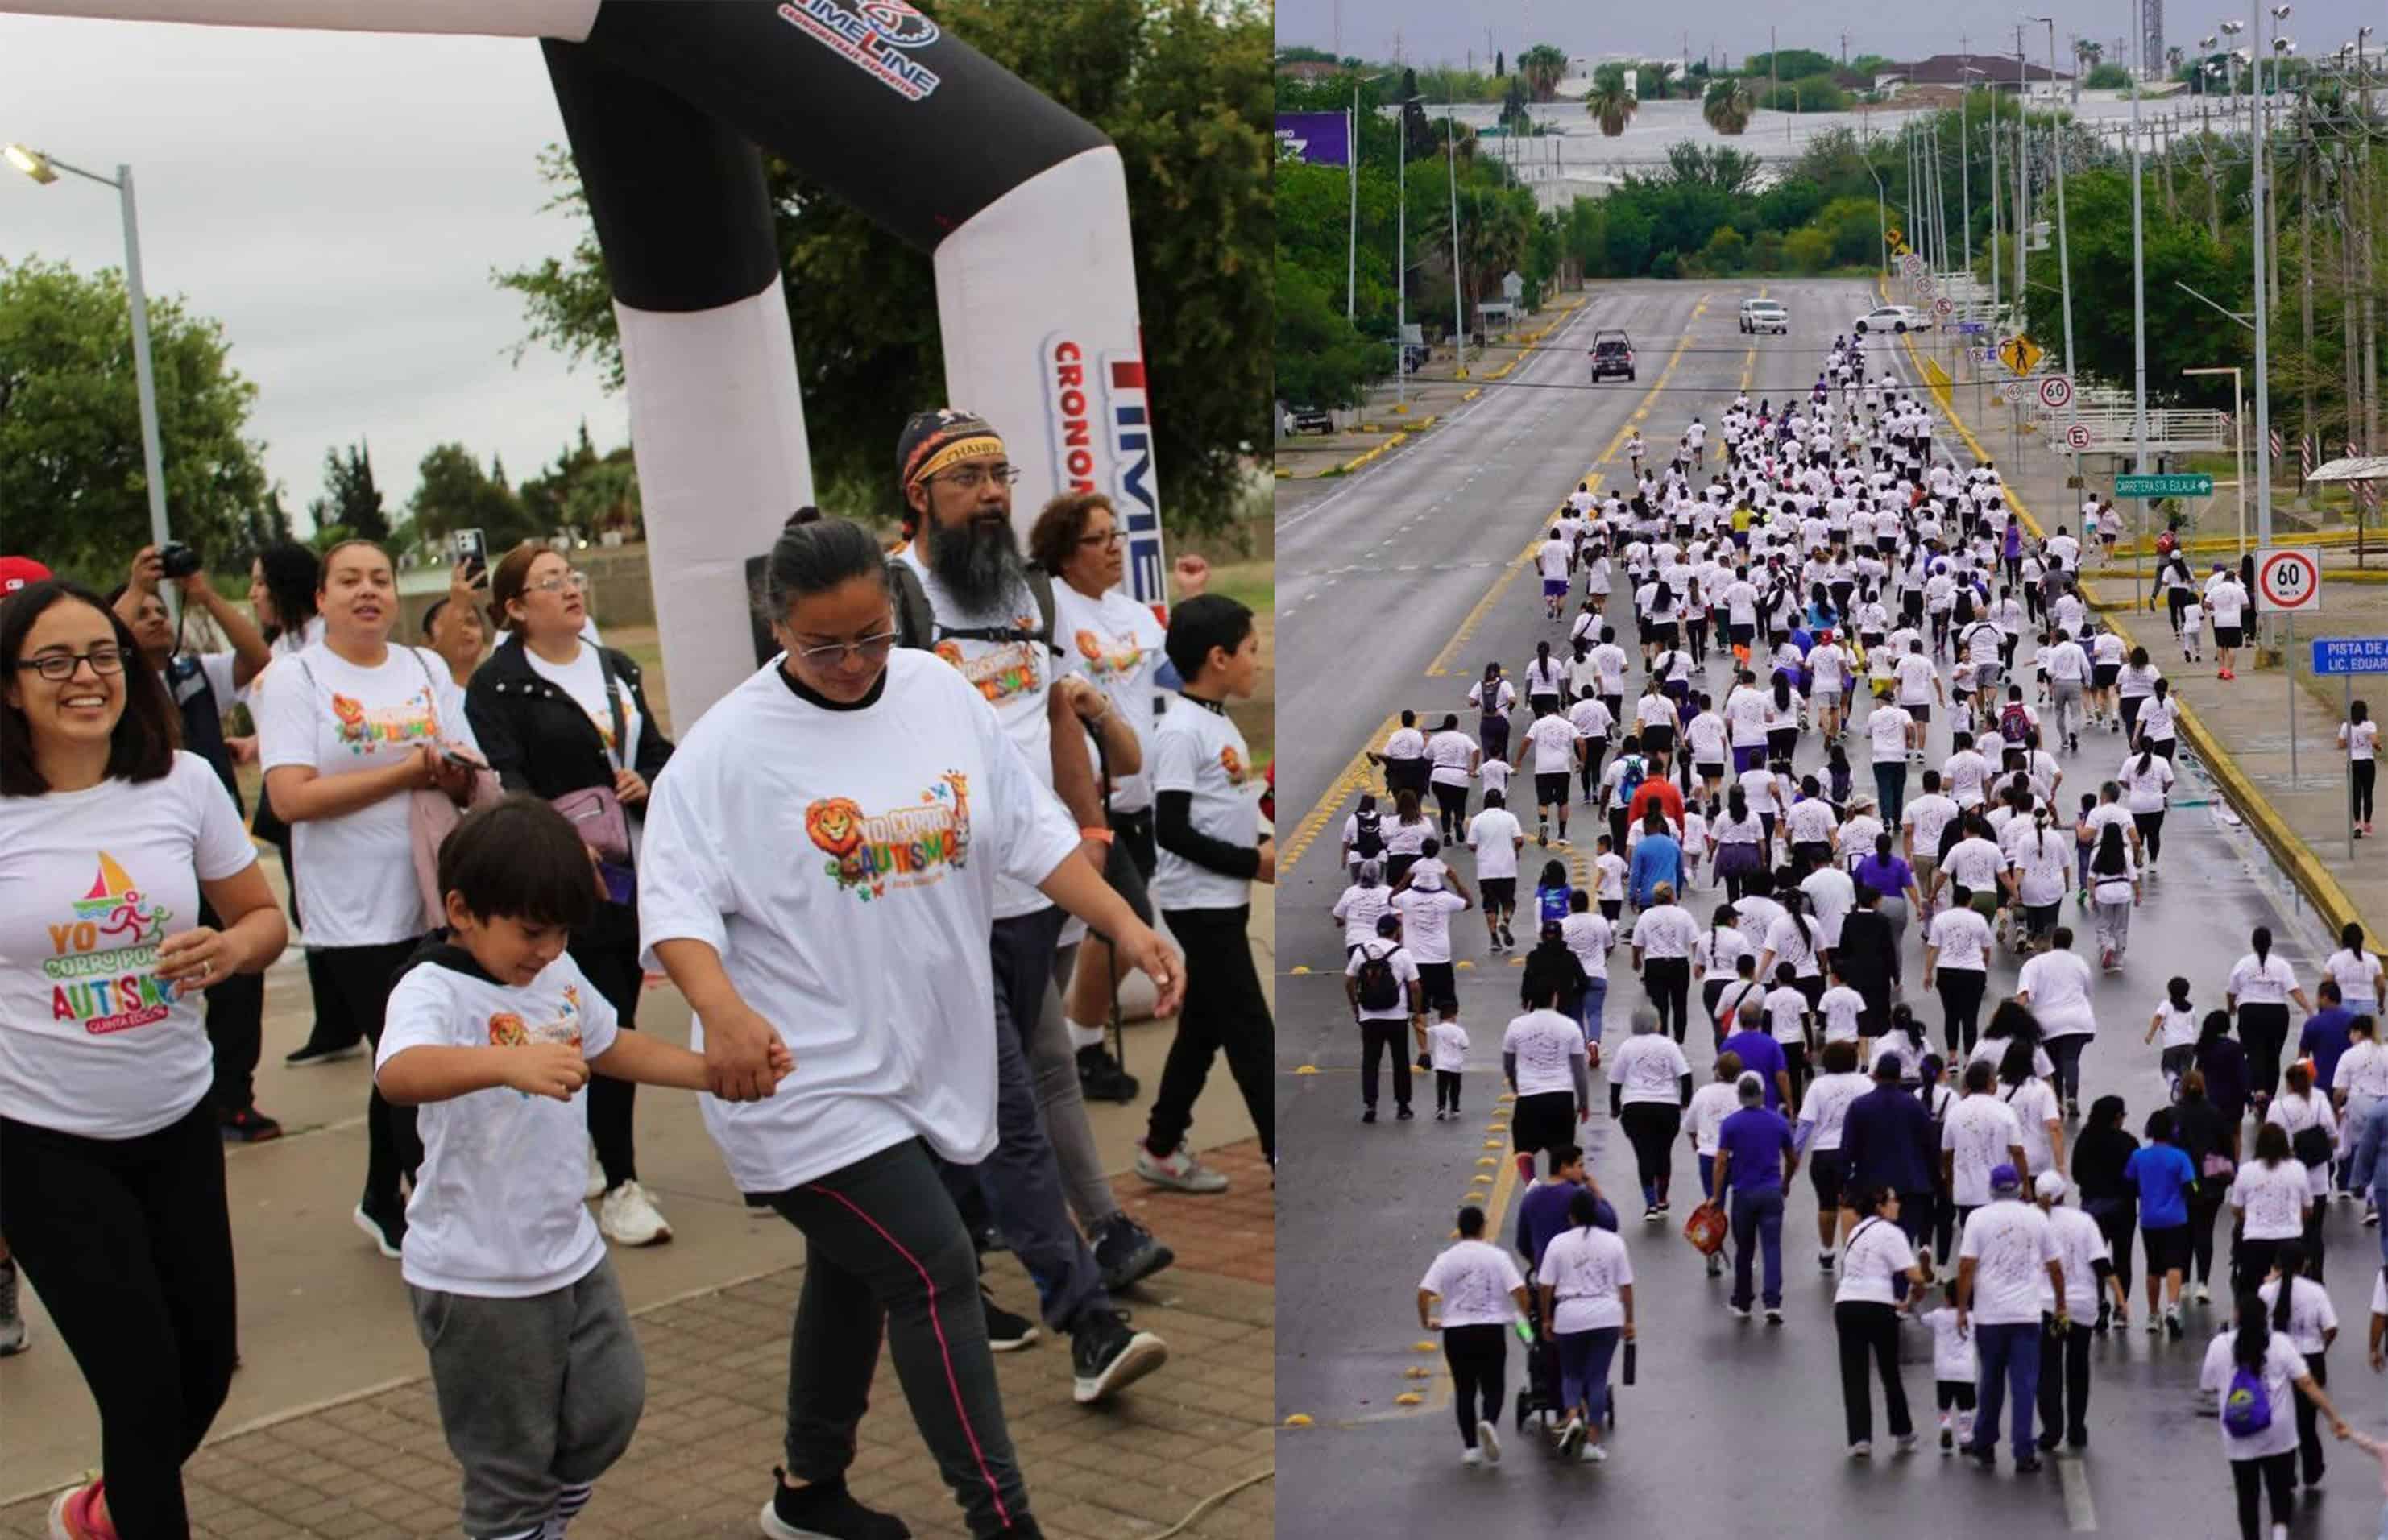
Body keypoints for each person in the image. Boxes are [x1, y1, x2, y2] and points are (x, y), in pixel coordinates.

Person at [636, 513, 1184, 1538]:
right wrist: (723, 1013)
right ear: (776, 627)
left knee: (854, 1271)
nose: (851, 664)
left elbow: (1029, 830)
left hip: (930, 1061)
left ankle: (808, 1493)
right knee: (934, 1268)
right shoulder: (723, 753)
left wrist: (1122, 923)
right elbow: (673, 909)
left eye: (871, 636)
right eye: (822, 645)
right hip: (803, 1081)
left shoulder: (938, 693)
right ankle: (1003, 1521)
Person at [377, 797, 765, 1540]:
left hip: (569, 1255)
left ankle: (536, 1523)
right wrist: (504, 1062)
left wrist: (712, 1071)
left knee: (610, 1406)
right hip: (478, 1277)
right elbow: (400, 1072)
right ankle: (518, 1526)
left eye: (561, 932)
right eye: (531, 931)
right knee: (509, 1466)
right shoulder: (434, 986)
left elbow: (609, 1043)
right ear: (461, 910)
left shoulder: (554, 976)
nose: (548, 949)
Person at [0, 581, 289, 1540]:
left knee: (202, 1373)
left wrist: (231, 948)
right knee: (140, 1389)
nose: (86, 677)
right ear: (10, 685)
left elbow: (261, 915)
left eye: (103, 655)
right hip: (40, 1138)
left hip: (174, 1117)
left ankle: (101, 1512)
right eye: (55, 660)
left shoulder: (183, 781)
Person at [256, 539, 485, 1257]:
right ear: (320, 598)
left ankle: (381, 1198)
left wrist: (445, 773)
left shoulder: (425, 668)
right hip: (351, 912)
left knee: (410, 1050)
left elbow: (472, 768)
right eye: (348, 580)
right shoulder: (295, 680)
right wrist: (404, 771)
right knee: (408, 1059)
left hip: (433, 893)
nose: (367, 592)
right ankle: (437, 1214)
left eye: (380, 579)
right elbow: (289, 799)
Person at [466, 541, 680, 1247]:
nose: (568, 590)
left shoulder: (615, 668)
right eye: (548, 582)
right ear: (516, 609)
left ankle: (621, 1179)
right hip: (555, 881)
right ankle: (591, 1155)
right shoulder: (499, 684)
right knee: (557, 1024)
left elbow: (654, 750)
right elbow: (508, 779)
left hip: (622, 877)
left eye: (570, 577)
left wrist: (647, 778)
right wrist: (561, 846)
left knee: (613, 1021)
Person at [108, 547, 281, 1142]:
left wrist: (202, 593)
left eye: (162, 609)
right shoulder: (110, 689)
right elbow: (105, 636)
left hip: (217, 851)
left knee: (238, 975)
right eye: (141, 610)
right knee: (164, 978)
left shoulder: (193, 673)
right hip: (153, 861)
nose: (154, 616)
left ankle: (232, 1095)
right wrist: (132, 586)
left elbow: (259, 655)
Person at [1031, 491, 1170, 1105]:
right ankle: (1075, 1047)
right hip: (1078, 809)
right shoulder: (1050, 609)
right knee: (1124, 923)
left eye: (1118, 536)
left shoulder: (1137, 617)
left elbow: (1170, 682)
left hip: (1137, 801)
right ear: (1065, 551)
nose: (1116, 548)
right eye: (1100, 539)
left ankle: (1074, 1046)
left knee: (1097, 934)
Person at [1137, 594, 1275, 1186]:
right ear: (1218, 658)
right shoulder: (1180, 731)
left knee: (1205, 1027)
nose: (1258, 663)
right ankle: (1280, 1156)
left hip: (1221, 898)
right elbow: (1170, 829)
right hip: (1200, 903)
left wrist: (1261, 836)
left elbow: (1223, 807)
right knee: (1252, 1036)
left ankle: (1162, 1146)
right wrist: (1251, 861)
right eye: (1250, 651)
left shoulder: (1215, 720)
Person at [2199, 1290, 2350, 1540]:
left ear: (2236, 1315)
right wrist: (2333, 1417)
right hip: (2278, 1435)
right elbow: (2307, 1384)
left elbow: (2207, 1385)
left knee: (2247, 1496)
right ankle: (2280, 1533)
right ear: (2265, 1318)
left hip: (2239, 1435)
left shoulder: (2220, 1345)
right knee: (2280, 1490)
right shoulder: (2280, 1343)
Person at [1955, 1164, 2065, 1472]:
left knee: (1990, 1380)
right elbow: (2055, 1267)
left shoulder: (1978, 1219)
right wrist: (2061, 1304)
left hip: (1990, 1315)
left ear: (1991, 1189)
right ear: (2019, 1188)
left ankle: (1985, 1443)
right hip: (2027, 1314)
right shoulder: (2035, 1218)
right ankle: (2023, 1451)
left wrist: (1963, 1309)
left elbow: (1966, 1267)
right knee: (2024, 1384)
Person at [1416, 1205, 1531, 1468]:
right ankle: (1488, 1421)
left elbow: (1424, 1292)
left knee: (1464, 1389)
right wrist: (1523, 1315)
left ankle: (1470, 1448)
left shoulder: (1446, 1258)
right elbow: (1520, 1290)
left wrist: (1427, 1321)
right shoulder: (1498, 1256)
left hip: (1456, 1332)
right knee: (1494, 1385)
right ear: (1482, 1227)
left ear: (1459, 1230)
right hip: (1490, 1328)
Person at [1536, 1188, 1635, 1463]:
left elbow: (1545, 1286)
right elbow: (1625, 1286)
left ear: (1571, 1216)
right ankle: (1592, 1440)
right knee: (1597, 1377)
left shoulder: (1558, 1243)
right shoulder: (1614, 1243)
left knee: (1571, 1374)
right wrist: (1629, 1321)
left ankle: (1571, 1415)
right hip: (1606, 1316)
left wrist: (1547, 1317)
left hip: (1569, 1316)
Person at [1835, 1183, 1932, 1458]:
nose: (1898, 1204)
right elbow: (1914, 1277)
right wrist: (1916, 1292)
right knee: (1889, 1371)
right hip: (1878, 1304)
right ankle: (1902, 1431)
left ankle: (1860, 1438)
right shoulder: (1892, 1234)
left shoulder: (1856, 1231)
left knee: (1854, 1372)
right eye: (1893, 1200)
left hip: (1846, 1303)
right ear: (1880, 1205)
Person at [1709, 1070, 1797, 1323]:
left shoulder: (1730, 1124)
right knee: (1771, 1247)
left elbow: (1721, 1162)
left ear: (1739, 1096)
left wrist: (1716, 1195)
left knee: (1745, 1250)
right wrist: (1786, 1181)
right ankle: (1772, 1302)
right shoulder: (1778, 1122)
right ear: (1762, 1094)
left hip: (1743, 1194)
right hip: (1771, 1192)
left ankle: (1743, 1300)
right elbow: (1792, 1158)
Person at [2033, 1172, 2110, 1454]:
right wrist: (2118, 1297)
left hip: (2045, 1306)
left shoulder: (2030, 1220)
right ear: (2064, 1195)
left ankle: (2051, 1430)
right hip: (2081, 1306)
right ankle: (2077, 1428)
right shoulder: (2084, 1221)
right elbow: (2101, 1263)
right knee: (2078, 1367)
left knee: (2048, 1368)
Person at [2253, 1240, 2338, 1488]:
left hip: (2277, 1361)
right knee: (2307, 1421)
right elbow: (2331, 1328)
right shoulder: (2316, 1291)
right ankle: (2312, 1468)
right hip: (2311, 1359)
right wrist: (2322, 1346)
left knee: (2281, 1419)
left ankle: (2285, 1472)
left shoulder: (2266, 1292)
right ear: (2306, 1264)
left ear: (2277, 1264)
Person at [1842, 1051, 1941, 1248]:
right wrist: (1934, 1181)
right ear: (1900, 1077)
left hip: (1871, 1189)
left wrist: (1845, 1185)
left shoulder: (1858, 1106)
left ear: (1876, 1075)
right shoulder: (1914, 1105)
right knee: (1903, 1245)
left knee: (1875, 1244)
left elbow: (1847, 1150)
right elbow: (1931, 1146)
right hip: (1910, 1186)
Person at [1608, 1008, 1693, 1220]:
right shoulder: (1669, 1045)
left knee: (1643, 1153)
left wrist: (1615, 1107)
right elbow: (1685, 1075)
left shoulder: (1627, 1046)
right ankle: (1662, 1198)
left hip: (1636, 1106)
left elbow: (1616, 1080)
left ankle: (1650, 1204)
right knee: (1664, 1153)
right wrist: (1685, 1101)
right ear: (1657, 1023)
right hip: (1667, 1105)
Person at [1504, 981, 1593, 1182]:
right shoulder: (1570, 1026)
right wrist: (1584, 1102)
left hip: (1529, 1097)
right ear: (1554, 998)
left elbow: (1509, 1065)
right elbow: (1579, 1070)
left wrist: (1517, 1087)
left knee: (1524, 1148)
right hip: (1561, 1097)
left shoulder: (1516, 1026)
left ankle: (1531, 1184)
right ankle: (1560, 1191)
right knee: (1561, 1153)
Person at [2265, 1062, 2338, 1279]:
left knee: (2289, 1231)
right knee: (2315, 1233)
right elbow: (2333, 1137)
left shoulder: (2278, 1107)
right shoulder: (2320, 1101)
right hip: (2317, 1180)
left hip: (2288, 1179)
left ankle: (2290, 1274)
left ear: (2288, 1084)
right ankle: (2316, 1276)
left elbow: (2269, 1142)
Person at [1347, 913, 1423, 1124]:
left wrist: (1355, 1006)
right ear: (1396, 932)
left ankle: (1370, 1106)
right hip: (1396, 1015)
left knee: (1370, 1061)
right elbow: (1415, 986)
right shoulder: (1402, 953)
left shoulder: (1362, 952)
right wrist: (1416, 1013)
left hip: (1369, 1015)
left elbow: (1349, 981)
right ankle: (1403, 1105)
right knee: (1400, 1060)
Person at [1943, 1060, 2029, 1236]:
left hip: (1966, 1194)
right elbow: (2018, 1152)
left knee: (1972, 1244)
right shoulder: (2004, 1111)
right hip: (1999, 1192)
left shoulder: (1955, 1112)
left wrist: (1950, 1185)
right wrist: (2025, 1185)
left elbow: (1947, 1154)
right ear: (1991, 1083)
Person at [2017, 929, 2097, 1116]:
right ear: (2071, 942)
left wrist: (2015, 1019)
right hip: (2078, 1020)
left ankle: (2057, 1103)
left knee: (2052, 1064)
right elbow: (2088, 990)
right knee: (2070, 1057)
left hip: (2047, 1023)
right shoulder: (2079, 962)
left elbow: (2024, 994)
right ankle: (2072, 1096)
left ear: (2052, 941)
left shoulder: (2034, 964)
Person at [2230, 926, 2313, 1107]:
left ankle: (2258, 1091)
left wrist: (2231, 1009)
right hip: (2277, 1014)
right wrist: (2309, 1009)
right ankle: (2270, 1095)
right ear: (2270, 943)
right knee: (2273, 1056)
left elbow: (2232, 992)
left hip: (2250, 1013)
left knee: (2253, 1053)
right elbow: (2294, 990)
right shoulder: (2281, 965)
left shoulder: (2242, 964)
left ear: (2253, 943)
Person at [2233, 1122, 2314, 1300]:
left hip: (2255, 1240)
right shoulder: (2297, 1169)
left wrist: (2247, 1218)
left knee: (2251, 1292)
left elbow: (2236, 1208)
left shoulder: (2247, 1170)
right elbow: (2308, 1208)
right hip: (2290, 1238)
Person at [2178, 1068, 2240, 1302]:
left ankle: (2183, 1282)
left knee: (2184, 1233)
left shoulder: (2176, 1114)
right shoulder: (2215, 1114)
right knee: (2205, 1232)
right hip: (2210, 1182)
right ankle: (2203, 1283)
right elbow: (2227, 1147)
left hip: (2183, 1182)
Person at [1628, 881, 1698, 1041]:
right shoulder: (1683, 914)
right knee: (1680, 1005)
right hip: (1679, 963)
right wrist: (1698, 962)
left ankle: (1662, 1039)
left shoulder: (1647, 916)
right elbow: (1695, 940)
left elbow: (1637, 943)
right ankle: (1679, 1040)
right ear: (1672, 896)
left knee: (1660, 1006)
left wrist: (1636, 960)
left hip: (1655, 964)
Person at [1921, 1278, 1980, 1454]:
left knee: (1944, 1405)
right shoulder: (1972, 1318)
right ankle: (1965, 1437)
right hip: (1965, 1372)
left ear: (1947, 1298)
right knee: (1966, 1407)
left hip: (1944, 1372)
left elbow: (1922, 1318)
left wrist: (1912, 1303)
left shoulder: (1938, 1315)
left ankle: (1946, 1425)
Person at [1466, 789, 1527, 954]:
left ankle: (1494, 939)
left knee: (1490, 905)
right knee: (1509, 902)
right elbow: (1519, 840)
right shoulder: (1510, 817)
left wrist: (1481, 852)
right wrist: (1515, 850)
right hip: (1507, 867)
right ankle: (1505, 922)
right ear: (1500, 802)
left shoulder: (1477, 820)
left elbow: (1471, 844)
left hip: (1486, 869)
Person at [2342, 699, 2378, 837]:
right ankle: (2367, 824)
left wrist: (2350, 744)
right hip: (2368, 763)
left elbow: (2340, 744)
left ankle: (2357, 824)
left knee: (2356, 795)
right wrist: (2377, 746)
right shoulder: (2370, 725)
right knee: (2368, 794)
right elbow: (2374, 741)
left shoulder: (2346, 726)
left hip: (2353, 763)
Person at [1427, 1004, 1470, 1120]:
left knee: (1442, 1087)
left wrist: (1415, 1023)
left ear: (1441, 1018)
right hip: (1456, 1066)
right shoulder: (1460, 1030)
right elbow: (1465, 1045)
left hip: (1442, 1065)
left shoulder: (1438, 1028)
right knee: (1455, 1087)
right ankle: (1455, 1108)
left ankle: (1441, 1108)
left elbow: (1424, 1031)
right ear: (1453, 1017)